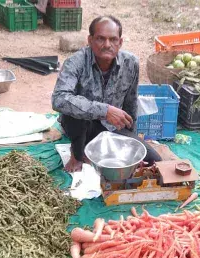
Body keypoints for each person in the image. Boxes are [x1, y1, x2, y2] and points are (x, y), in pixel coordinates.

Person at [52, 15, 162, 172]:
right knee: (76, 113)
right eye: (100, 39)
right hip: (80, 126)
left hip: (111, 128)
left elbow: (131, 102)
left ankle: (90, 150)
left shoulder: (130, 63)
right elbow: (59, 99)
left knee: (153, 161)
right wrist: (105, 110)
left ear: (120, 42)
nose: (107, 45)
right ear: (90, 40)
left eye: (113, 39)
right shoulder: (75, 62)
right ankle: (77, 154)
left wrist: (131, 144)